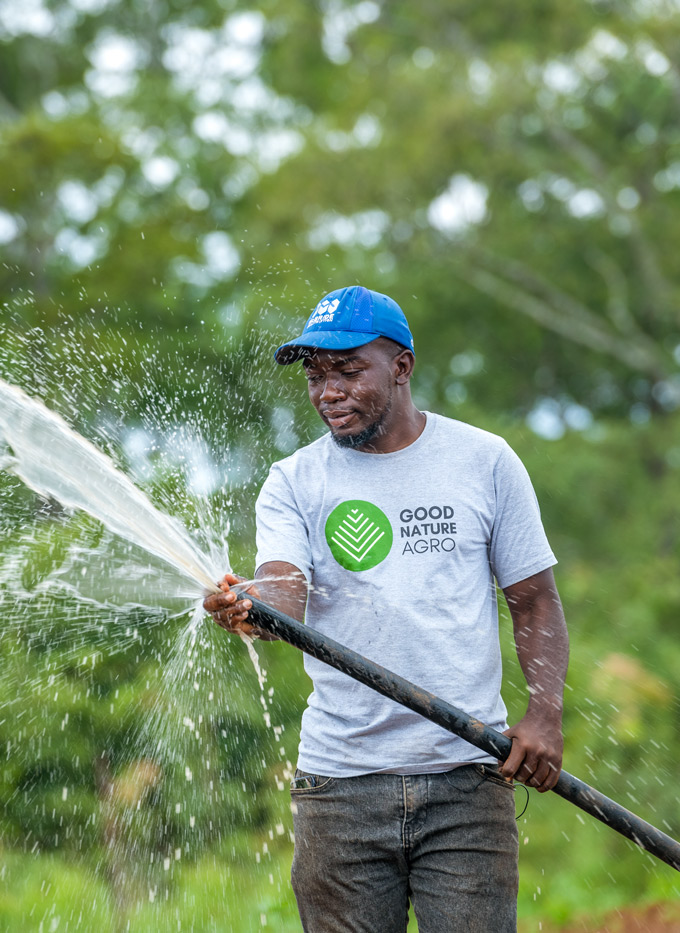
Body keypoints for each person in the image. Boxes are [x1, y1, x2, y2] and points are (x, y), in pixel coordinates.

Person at [203, 285, 569, 933]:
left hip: (466, 774)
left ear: (401, 367)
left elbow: (534, 600)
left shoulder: (484, 461)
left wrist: (544, 714)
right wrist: (250, 605)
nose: (328, 392)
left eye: (348, 371)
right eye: (316, 376)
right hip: (339, 787)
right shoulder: (294, 481)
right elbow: (284, 590)